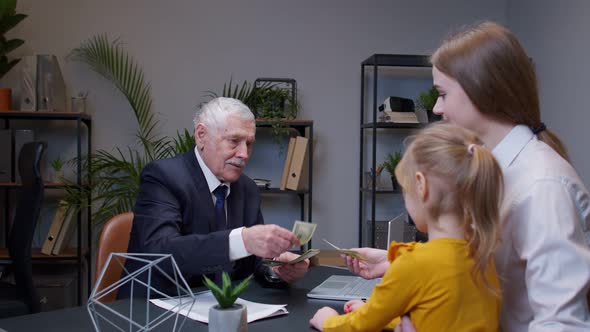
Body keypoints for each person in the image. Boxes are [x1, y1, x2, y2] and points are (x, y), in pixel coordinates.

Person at [344, 21, 590, 331]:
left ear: (481, 89)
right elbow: (480, 264)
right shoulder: (489, 169)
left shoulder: (543, 187)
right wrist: (395, 264)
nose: (436, 108)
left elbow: (562, 323)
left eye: (443, 94)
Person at [310, 123, 504, 331]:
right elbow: (437, 317)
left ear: (422, 186)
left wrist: (327, 321)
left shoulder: (414, 265)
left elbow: (358, 326)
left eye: (405, 189)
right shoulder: (482, 255)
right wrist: (382, 316)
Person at [119, 97, 308, 298]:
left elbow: (251, 262)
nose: (244, 153)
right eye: (234, 141)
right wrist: (241, 240)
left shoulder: (247, 189)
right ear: (201, 136)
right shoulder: (162, 177)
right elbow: (161, 254)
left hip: (222, 308)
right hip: (156, 310)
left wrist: (276, 267)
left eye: (249, 143)